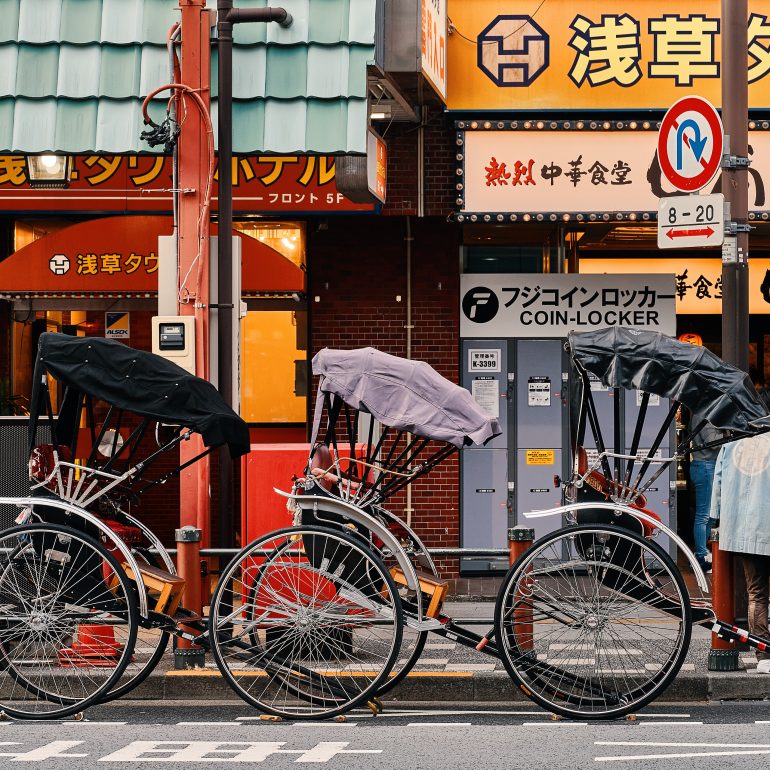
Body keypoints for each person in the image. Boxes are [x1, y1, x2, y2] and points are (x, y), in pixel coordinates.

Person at [710, 432, 770, 673]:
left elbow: (719, 483)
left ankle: (764, 654)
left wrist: (717, 516)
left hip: (746, 529)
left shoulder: (731, 443)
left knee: (756, 593)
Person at [689, 418, 723, 574]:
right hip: (705, 466)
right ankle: (700, 557)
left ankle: (702, 552)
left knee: (711, 515)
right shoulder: (704, 416)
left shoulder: (705, 414)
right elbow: (714, 442)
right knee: (704, 515)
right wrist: (727, 430)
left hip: (708, 466)